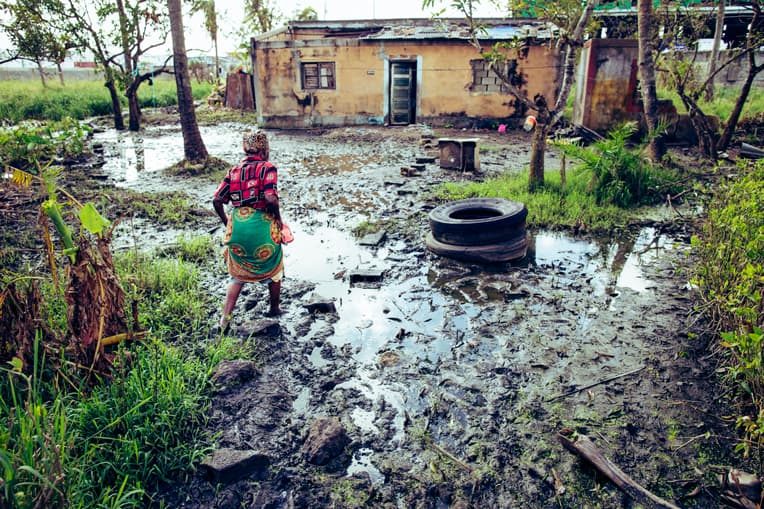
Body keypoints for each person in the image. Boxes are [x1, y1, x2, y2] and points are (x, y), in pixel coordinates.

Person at [213, 130, 285, 331]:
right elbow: (270, 198)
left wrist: (227, 222)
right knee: (274, 266)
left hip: (238, 226)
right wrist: (278, 220)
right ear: (265, 149)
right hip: (261, 226)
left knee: (237, 274)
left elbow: (217, 199)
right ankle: (274, 308)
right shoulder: (267, 168)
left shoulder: (234, 171)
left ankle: (224, 319)